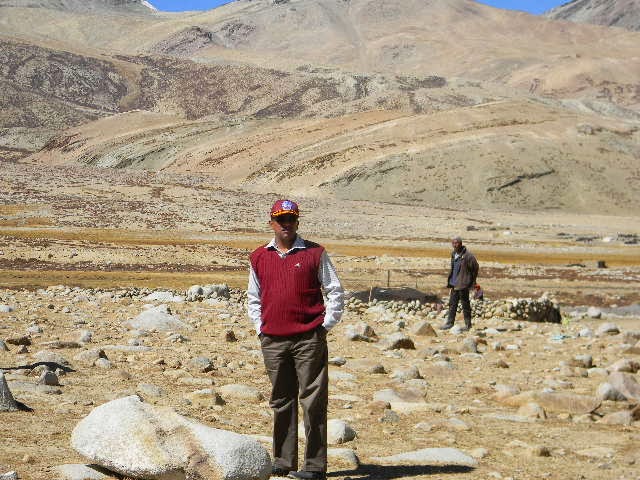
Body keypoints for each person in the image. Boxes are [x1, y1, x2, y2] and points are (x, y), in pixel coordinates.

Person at [247, 199, 344, 480]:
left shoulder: (315, 253)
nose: (286, 224)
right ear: (271, 223)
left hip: (308, 339)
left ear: (298, 222)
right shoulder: (259, 257)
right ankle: (283, 461)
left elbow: (335, 290)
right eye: (281, 219)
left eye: (290, 219)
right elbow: (253, 297)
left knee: (313, 402)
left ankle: (314, 466)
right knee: (281, 400)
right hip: (273, 340)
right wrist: (260, 328)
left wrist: (324, 327)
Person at [440, 236, 479, 331]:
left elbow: (475, 267)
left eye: (456, 243)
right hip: (454, 284)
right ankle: (450, 323)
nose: (455, 245)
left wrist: (471, 280)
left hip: (463, 284)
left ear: (461, 244)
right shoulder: (453, 254)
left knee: (465, 305)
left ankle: (468, 325)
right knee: (452, 304)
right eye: (453, 243)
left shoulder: (468, 256)